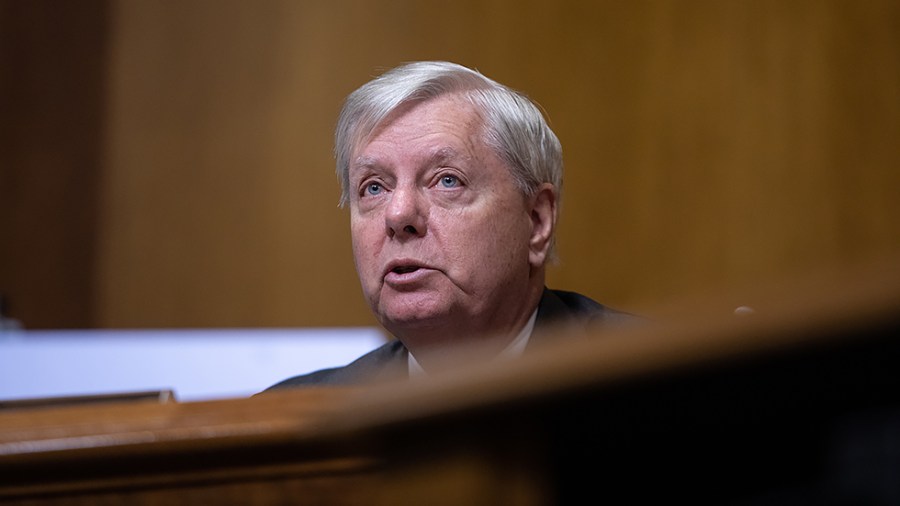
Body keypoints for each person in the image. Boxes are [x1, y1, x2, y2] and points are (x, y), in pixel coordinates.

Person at [267, 61, 634, 388]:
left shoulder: (654, 389)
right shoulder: (288, 426)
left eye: (447, 180)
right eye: (374, 187)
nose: (397, 215)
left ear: (537, 220)